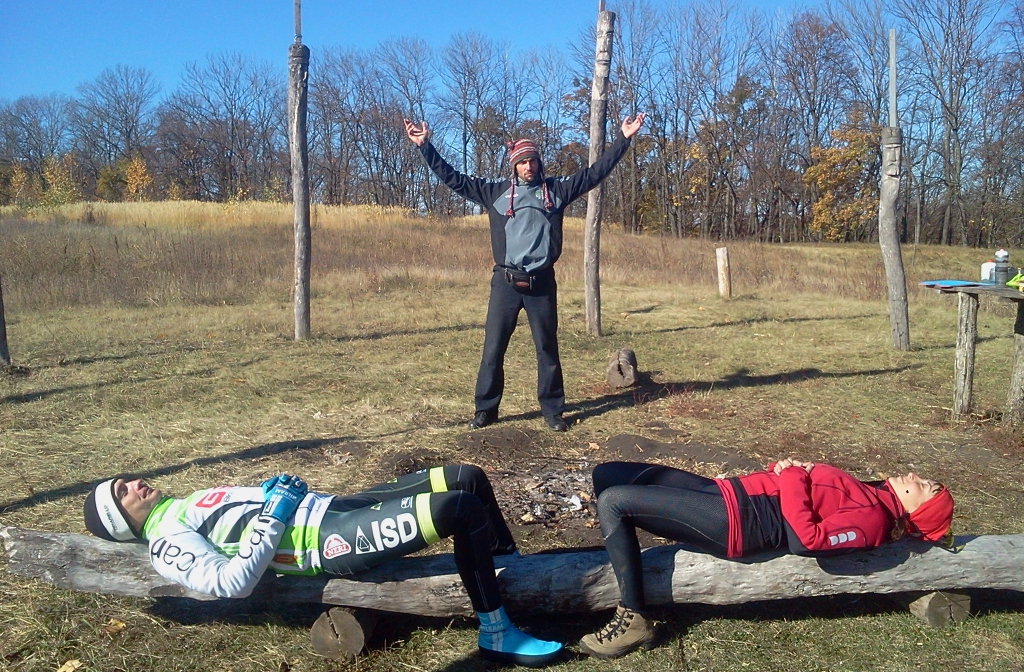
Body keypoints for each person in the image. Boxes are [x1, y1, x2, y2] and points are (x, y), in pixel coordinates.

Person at [83, 464, 562, 667]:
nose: (136, 484)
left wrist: (269, 493)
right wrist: (274, 512)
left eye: (129, 480)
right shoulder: (165, 543)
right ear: (120, 521)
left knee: (466, 477)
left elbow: (239, 520)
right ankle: (496, 631)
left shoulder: (180, 506)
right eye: (124, 492)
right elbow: (231, 582)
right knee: (460, 507)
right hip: (327, 543)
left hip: (332, 506)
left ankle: (508, 576)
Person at [404, 114, 646, 432]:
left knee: (547, 349)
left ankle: (553, 411)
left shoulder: (556, 191)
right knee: (493, 349)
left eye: (532, 161)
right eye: (522, 162)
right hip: (505, 283)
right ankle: (486, 410)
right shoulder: (495, 192)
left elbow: (594, 174)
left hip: (541, 284)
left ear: (538, 163)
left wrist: (624, 139)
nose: (528, 167)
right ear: (514, 166)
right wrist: (425, 146)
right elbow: (454, 179)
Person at [579, 459, 955, 659]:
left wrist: (792, 476)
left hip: (741, 523)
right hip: (730, 493)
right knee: (608, 474)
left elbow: (805, 540)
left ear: (917, 510)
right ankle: (620, 563)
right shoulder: (874, 496)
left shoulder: (873, 520)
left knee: (614, 502)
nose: (915, 475)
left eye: (924, 486)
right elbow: (816, 496)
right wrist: (787, 472)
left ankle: (634, 617)